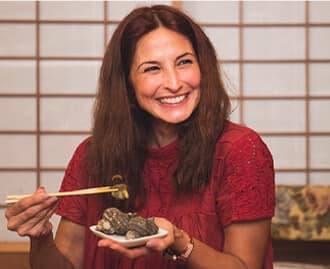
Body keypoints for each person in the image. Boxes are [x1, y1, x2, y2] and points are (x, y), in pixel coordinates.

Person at [5, 4, 275, 269]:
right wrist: (40, 237)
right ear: (126, 82)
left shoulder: (240, 150)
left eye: (184, 62)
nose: (173, 82)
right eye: (152, 68)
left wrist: (180, 242)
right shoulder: (92, 155)